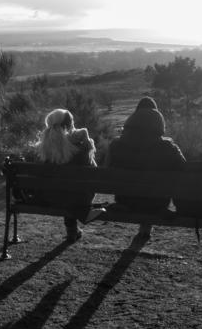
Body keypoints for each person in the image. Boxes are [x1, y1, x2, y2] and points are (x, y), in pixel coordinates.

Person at [103, 96, 186, 240]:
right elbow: (184, 170)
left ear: (133, 118)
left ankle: (144, 228)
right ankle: (145, 228)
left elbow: (106, 170)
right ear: (158, 121)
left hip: (125, 201)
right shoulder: (169, 147)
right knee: (152, 193)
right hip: (157, 204)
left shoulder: (116, 145)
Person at [33, 108, 103, 242]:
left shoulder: (42, 148)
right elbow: (94, 173)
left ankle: (72, 230)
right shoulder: (79, 148)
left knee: (65, 189)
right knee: (73, 191)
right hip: (77, 200)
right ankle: (73, 229)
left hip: (50, 198)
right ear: (69, 126)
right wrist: (88, 144)